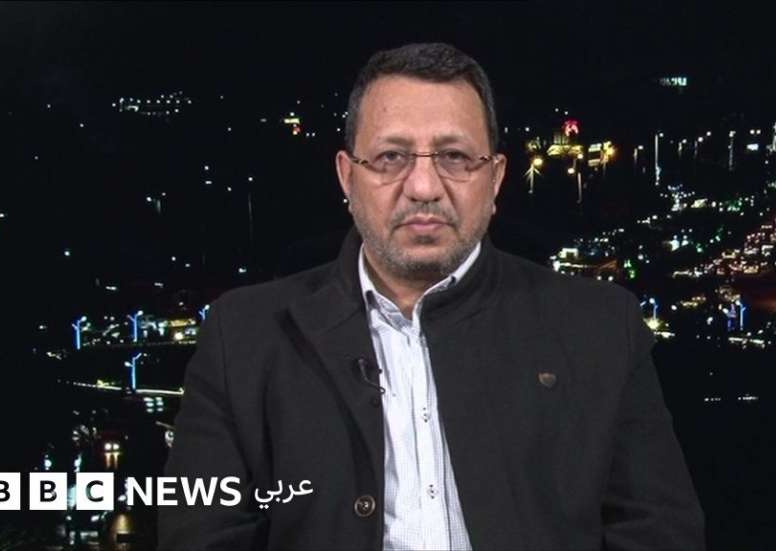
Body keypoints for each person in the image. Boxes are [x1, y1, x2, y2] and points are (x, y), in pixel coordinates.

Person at [159, 42, 704, 551]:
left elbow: (659, 534)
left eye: (455, 157)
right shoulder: (242, 337)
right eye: (391, 157)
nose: (423, 187)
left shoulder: (601, 327)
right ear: (347, 177)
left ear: (495, 178)